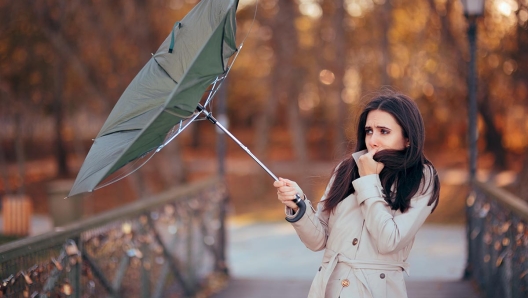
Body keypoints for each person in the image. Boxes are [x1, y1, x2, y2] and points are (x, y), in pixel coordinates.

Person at [274, 92, 440, 298]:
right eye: (369, 131)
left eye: (384, 131)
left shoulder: (421, 177)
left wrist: (369, 180)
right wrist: (299, 205)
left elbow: (389, 240)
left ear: (407, 138)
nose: (373, 140)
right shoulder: (346, 169)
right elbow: (318, 240)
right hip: (330, 288)